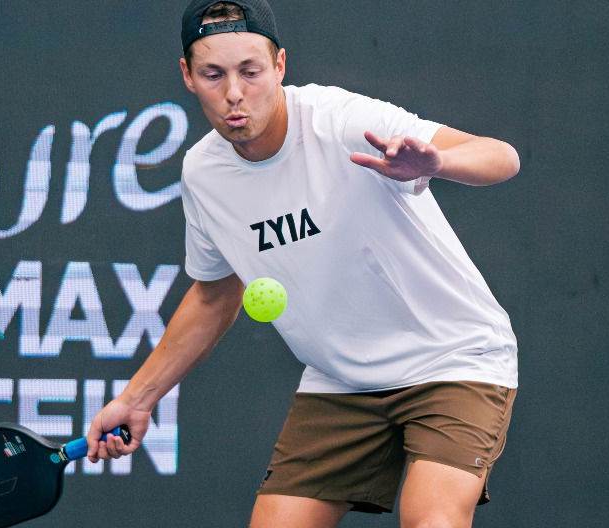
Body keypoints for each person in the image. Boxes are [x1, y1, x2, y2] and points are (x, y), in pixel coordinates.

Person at [84, 1, 521, 527]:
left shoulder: (342, 121)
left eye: (250, 72)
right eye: (214, 75)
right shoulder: (204, 173)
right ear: (188, 76)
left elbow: (500, 156)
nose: (234, 93)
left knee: (431, 519)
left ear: (280, 66)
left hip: (452, 358)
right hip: (339, 378)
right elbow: (214, 295)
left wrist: (438, 161)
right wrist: (138, 399)